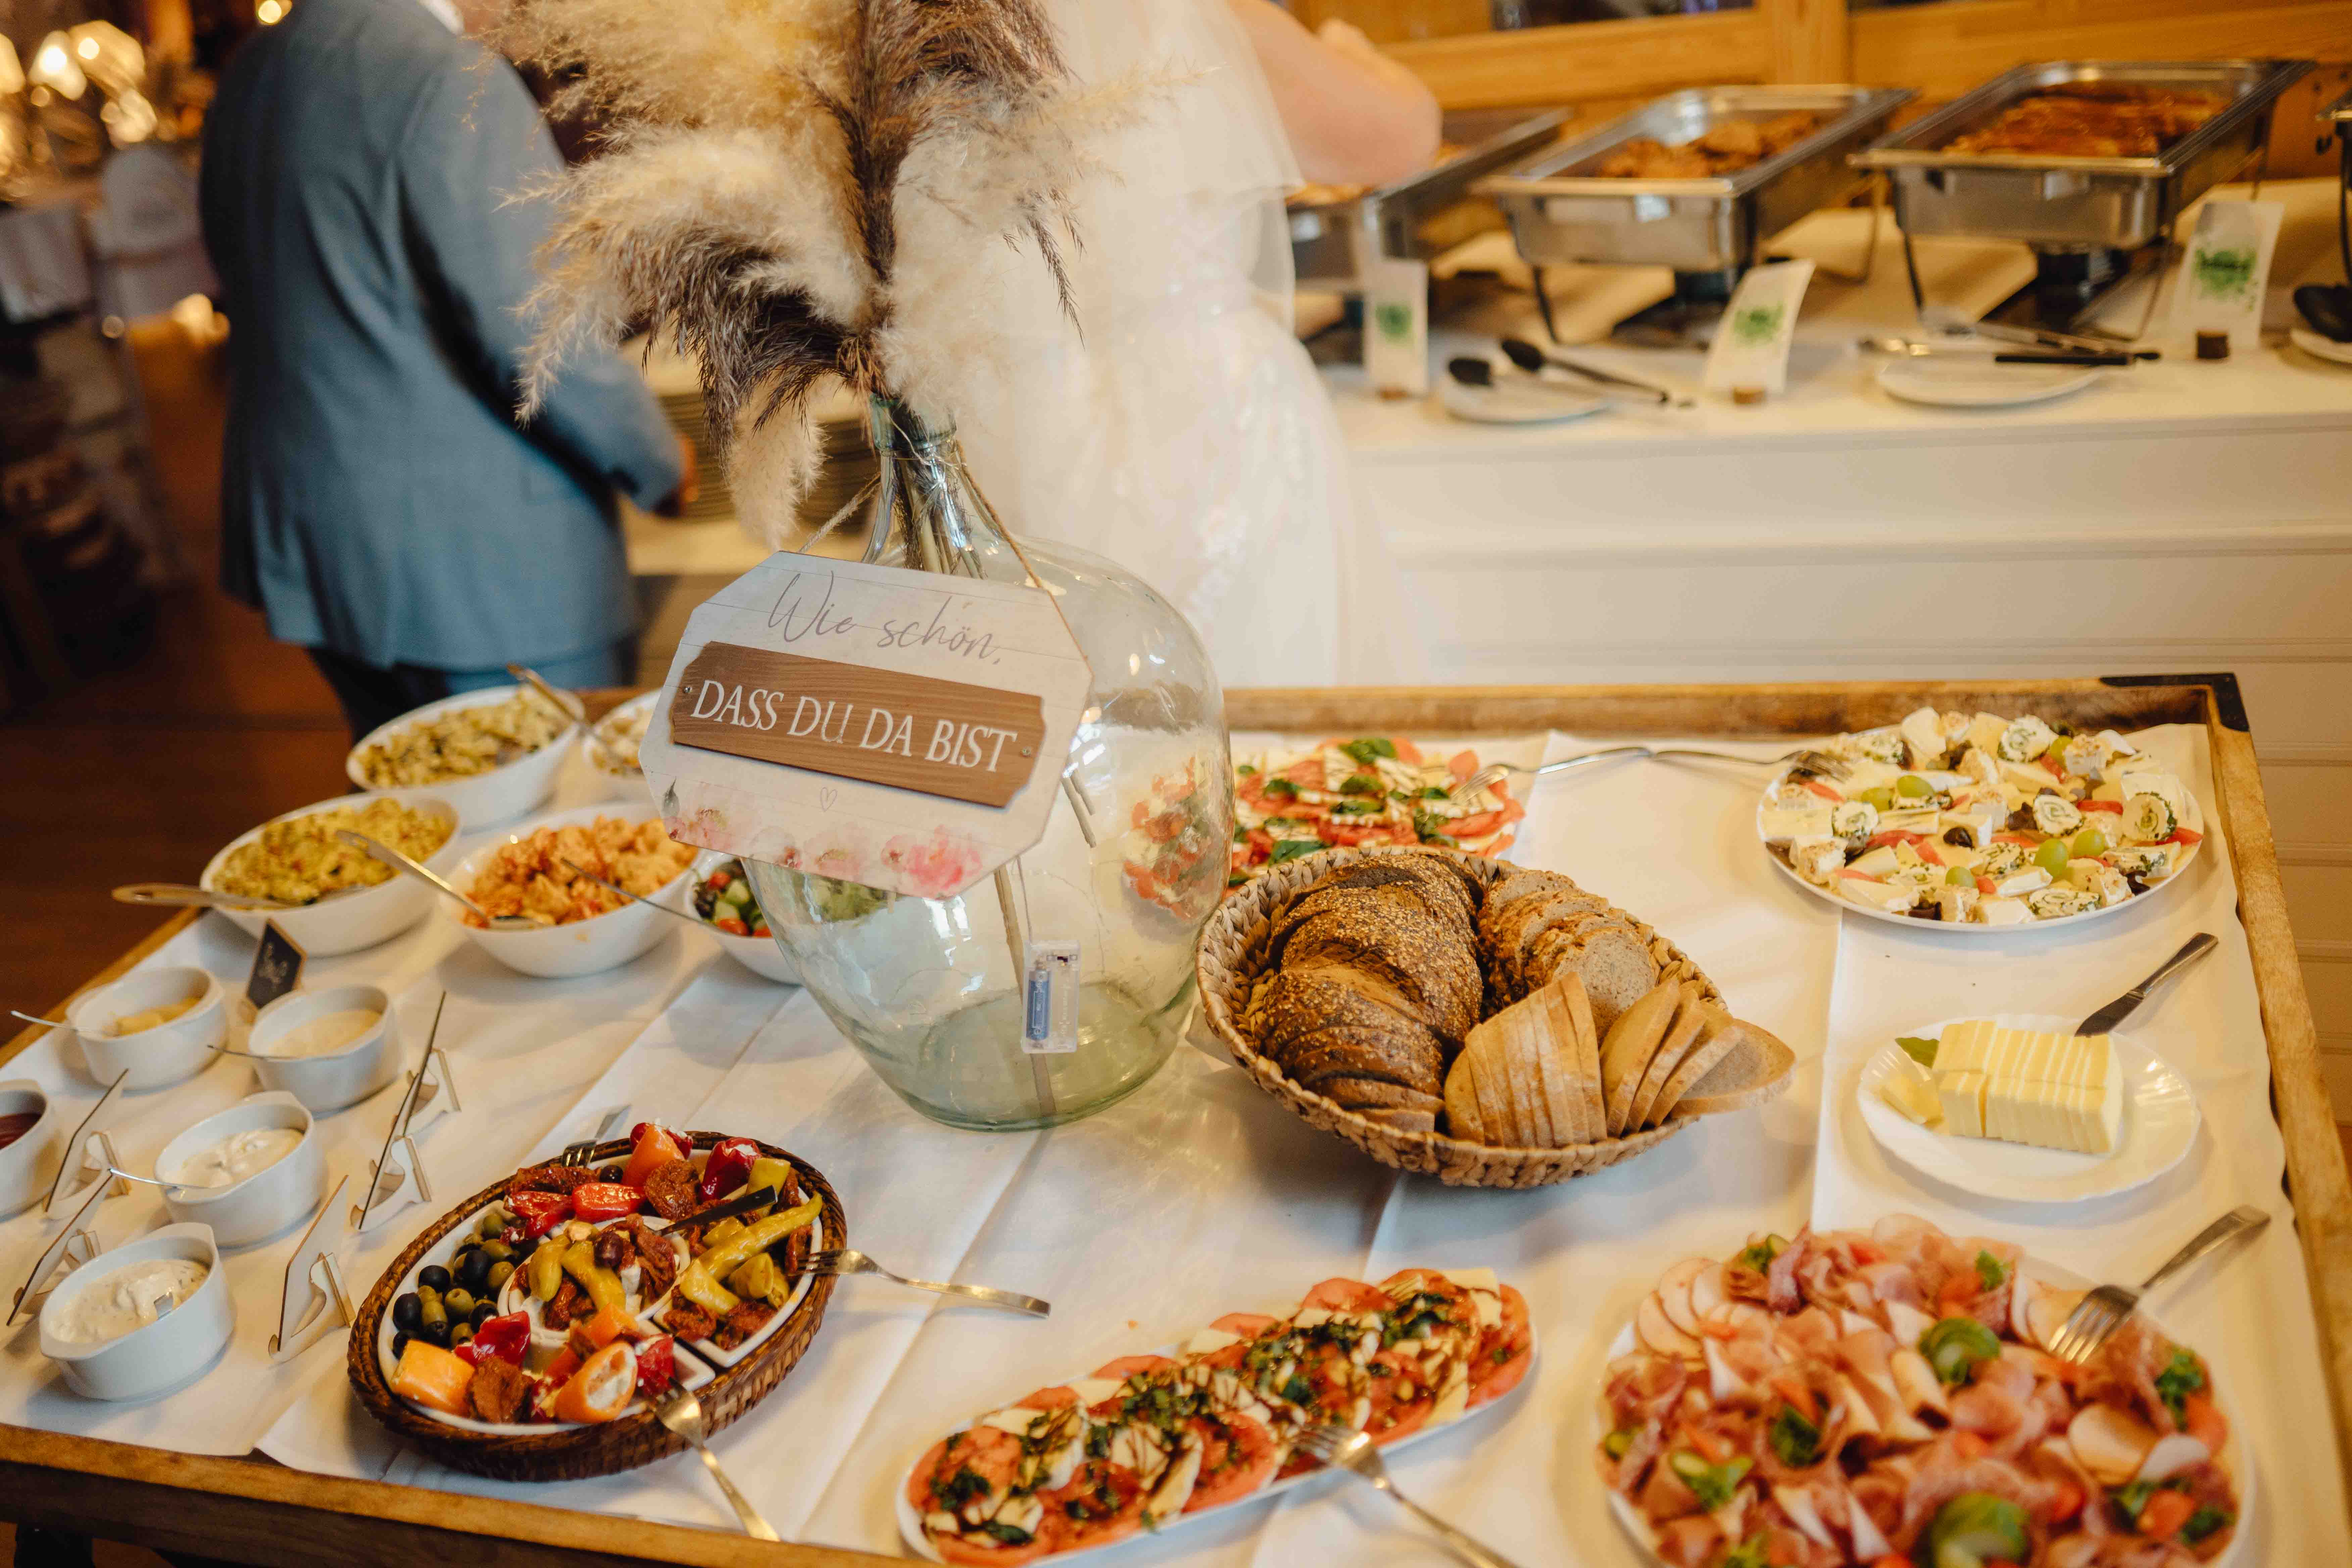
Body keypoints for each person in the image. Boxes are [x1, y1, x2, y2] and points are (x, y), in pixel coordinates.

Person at [199, 0, 692, 740]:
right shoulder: (447, 76)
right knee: (549, 823)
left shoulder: (256, 67)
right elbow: (542, 332)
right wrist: (657, 459)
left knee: (424, 818)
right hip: (479, 574)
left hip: (313, 542)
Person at [946, 0, 1439, 691]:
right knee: (1265, 720)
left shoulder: (922, 24)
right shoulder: (1197, 12)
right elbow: (1401, 136)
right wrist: (1347, 47)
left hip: (1010, 422)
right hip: (1209, 414)